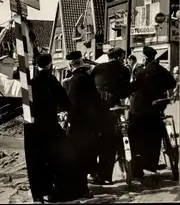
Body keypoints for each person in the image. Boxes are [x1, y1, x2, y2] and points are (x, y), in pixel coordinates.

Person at [26, 53, 91, 202]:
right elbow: (65, 103)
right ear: (50, 64)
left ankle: (42, 192)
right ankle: (62, 191)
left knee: (40, 160)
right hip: (50, 125)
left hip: (35, 127)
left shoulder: (31, 82)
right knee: (64, 155)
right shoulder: (51, 80)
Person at [128, 46, 177, 179]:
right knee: (155, 135)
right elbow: (172, 83)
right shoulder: (161, 70)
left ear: (145, 58)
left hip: (142, 110)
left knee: (136, 135)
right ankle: (153, 164)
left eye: (142, 57)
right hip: (157, 109)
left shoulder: (142, 72)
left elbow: (135, 87)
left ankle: (137, 168)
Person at [90, 47, 131, 184]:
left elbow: (90, 86)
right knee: (112, 140)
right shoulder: (125, 70)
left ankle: (94, 173)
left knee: (95, 139)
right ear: (120, 57)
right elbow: (125, 92)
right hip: (114, 108)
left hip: (98, 108)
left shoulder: (98, 68)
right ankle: (106, 176)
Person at [64, 51, 104, 182]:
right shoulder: (88, 78)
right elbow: (97, 99)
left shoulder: (73, 81)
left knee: (76, 148)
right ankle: (93, 173)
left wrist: (68, 118)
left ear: (71, 65)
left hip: (78, 121)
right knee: (91, 148)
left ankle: (79, 178)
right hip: (91, 120)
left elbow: (72, 104)